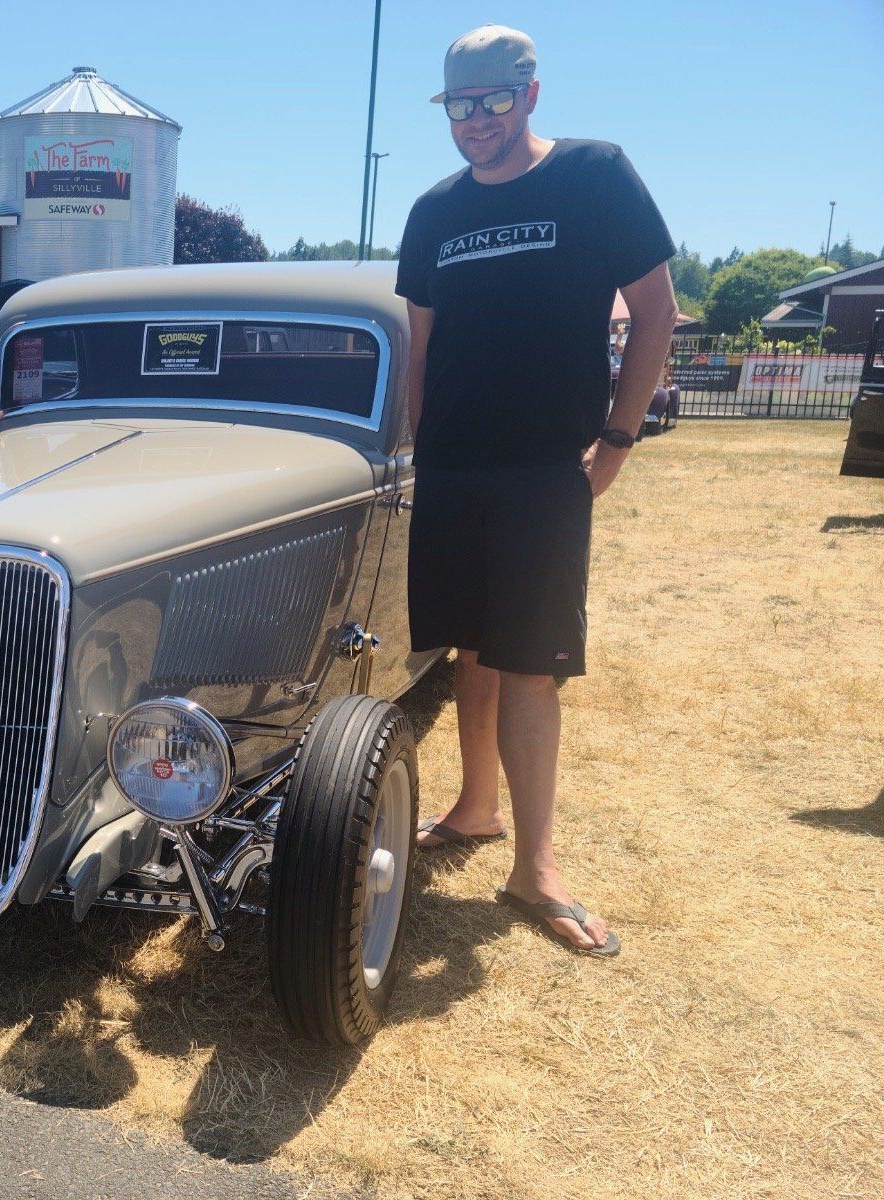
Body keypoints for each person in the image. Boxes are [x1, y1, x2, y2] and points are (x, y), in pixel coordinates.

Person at [395, 26, 678, 956]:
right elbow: (421, 346)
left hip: (541, 471)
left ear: (530, 94)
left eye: (493, 101)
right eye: (459, 106)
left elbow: (656, 313)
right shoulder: (433, 210)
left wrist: (617, 441)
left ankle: (536, 870)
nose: (476, 122)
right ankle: (475, 810)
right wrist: (413, 449)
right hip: (453, 467)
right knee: (471, 647)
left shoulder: (595, 176)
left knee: (528, 662)